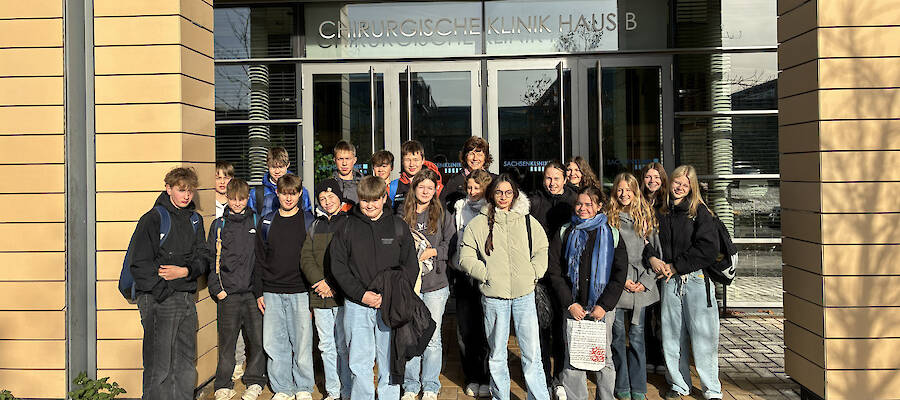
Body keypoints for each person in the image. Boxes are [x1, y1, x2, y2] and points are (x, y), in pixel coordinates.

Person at [459, 174, 551, 400]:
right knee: (497, 354)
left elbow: (542, 249)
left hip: (524, 295)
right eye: (499, 192)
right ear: (492, 194)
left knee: (532, 354)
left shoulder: (527, 221)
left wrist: (533, 273)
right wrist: (486, 275)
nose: (503, 196)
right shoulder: (478, 224)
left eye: (508, 192)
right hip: (494, 297)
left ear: (515, 194)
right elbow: (466, 256)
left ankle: (538, 396)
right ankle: (501, 396)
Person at [330, 176, 420, 400]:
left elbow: (411, 266)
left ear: (383, 198)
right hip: (357, 305)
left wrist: (392, 295)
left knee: (389, 360)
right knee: (359, 362)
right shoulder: (346, 226)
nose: (370, 205)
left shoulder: (398, 226)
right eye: (364, 200)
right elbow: (338, 267)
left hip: (390, 306)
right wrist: (361, 295)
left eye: (375, 200)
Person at [129, 167, 209, 400]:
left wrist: (186, 271)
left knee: (185, 363)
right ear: (168, 189)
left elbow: (203, 257)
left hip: (186, 298)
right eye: (181, 190)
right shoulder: (153, 218)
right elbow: (139, 263)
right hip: (158, 299)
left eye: (190, 191)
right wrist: (162, 292)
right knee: (159, 366)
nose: (186, 195)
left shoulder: (195, 220)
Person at [645, 165, 721, 400]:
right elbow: (645, 238)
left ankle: (712, 390)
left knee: (704, 336)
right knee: (671, 336)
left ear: (692, 188)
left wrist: (677, 265)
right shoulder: (660, 210)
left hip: (696, 280)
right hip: (669, 281)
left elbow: (708, 248)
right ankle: (679, 384)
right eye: (677, 182)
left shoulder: (699, 211)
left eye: (685, 184)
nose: (679, 187)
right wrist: (652, 257)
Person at [546, 186, 628, 400]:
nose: (582, 208)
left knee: (603, 360)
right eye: (579, 204)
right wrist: (570, 303)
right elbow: (554, 271)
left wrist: (604, 305)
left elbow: (619, 274)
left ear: (599, 206)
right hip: (573, 308)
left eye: (588, 204)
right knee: (573, 360)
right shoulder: (565, 232)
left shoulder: (612, 234)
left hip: (602, 311)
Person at [253, 174, 316, 400]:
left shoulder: (309, 221)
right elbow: (259, 259)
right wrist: (259, 291)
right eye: (284, 194)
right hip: (271, 291)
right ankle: (282, 388)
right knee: (274, 343)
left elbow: (315, 260)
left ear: (300, 195)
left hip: (300, 291)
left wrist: (313, 294)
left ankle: (303, 387)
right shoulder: (266, 222)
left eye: (293, 194)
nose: (288, 198)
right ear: (277, 194)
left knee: (302, 344)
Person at [207, 178, 266, 400]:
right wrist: (217, 289)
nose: (237, 203)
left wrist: (261, 291)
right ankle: (223, 383)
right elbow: (211, 258)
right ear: (227, 199)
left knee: (257, 340)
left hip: (252, 294)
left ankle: (255, 381)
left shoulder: (256, 221)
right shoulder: (219, 225)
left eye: (241, 199)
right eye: (233, 199)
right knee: (227, 343)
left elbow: (263, 257)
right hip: (228, 294)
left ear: (247, 198)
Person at [400, 169, 456, 400]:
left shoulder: (442, 214)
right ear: (414, 188)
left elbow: (452, 245)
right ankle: (411, 385)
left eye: (430, 188)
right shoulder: (402, 212)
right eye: (421, 187)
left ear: (435, 191)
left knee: (432, 337)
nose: (425, 191)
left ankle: (431, 385)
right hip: (409, 286)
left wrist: (433, 252)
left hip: (435, 285)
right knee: (411, 335)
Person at [606, 173, 661, 400]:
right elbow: (605, 254)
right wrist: (619, 280)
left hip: (640, 283)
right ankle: (621, 383)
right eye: (620, 189)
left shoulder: (645, 217)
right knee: (618, 336)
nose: (624, 194)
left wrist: (645, 281)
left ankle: (638, 385)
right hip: (618, 282)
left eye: (628, 190)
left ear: (635, 192)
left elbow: (655, 254)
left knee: (637, 337)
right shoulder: (609, 218)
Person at [529, 161, 577, 397]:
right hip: (540, 276)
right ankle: (544, 379)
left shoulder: (574, 201)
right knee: (541, 330)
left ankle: (559, 378)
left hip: (565, 276)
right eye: (548, 178)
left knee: (561, 330)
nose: (552, 183)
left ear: (565, 179)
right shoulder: (535, 202)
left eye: (557, 178)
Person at [300, 180, 352, 400]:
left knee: (343, 344)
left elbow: (350, 258)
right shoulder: (315, 225)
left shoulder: (349, 223)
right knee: (326, 345)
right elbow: (306, 257)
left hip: (342, 294)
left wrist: (332, 283)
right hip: (319, 294)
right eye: (322, 198)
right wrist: (319, 282)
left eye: (331, 197)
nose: (327, 201)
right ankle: (333, 390)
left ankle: (346, 389)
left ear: (339, 198)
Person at [450, 170, 493, 398]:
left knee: (485, 329)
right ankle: (472, 377)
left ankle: (485, 377)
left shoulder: (492, 210)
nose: (472, 192)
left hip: (485, 276)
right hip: (463, 275)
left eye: (477, 188)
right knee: (465, 330)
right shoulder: (459, 208)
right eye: (469, 187)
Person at [214, 160, 250, 381]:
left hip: (246, 281)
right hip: (225, 280)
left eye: (226, 177)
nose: (222, 181)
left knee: (251, 329)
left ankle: (246, 363)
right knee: (229, 329)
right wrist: (216, 286)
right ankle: (233, 363)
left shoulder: (250, 215)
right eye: (218, 177)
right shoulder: (214, 213)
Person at [639, 162, 668, 375]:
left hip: (667, 266)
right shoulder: (637, 202)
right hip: (645, 264)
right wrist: (651, 258)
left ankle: (663, 357)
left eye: (657, 177)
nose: (652, 181)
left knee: (663, 315)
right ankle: (651, 355)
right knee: (647, 314)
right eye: (648, 177)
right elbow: (638, 236)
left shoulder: (668, 203)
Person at [249, 146, 313, 217]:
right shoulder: (256, 193)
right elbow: (251, 220)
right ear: (267, 165)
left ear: (287, 165)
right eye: (273, 167)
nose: (277, 171)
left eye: (281, 167)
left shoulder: (300, 192)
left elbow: (308, 218)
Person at [440, 137, 494, 212]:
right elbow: (442, 205)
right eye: (471, 154)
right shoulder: (455, 181)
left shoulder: (494, 180)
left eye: (479, 154)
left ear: (485, 157)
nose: (475, 158)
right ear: (465, 156)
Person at [390, 140, 443, 211]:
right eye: (407, 160)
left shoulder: (435, 184)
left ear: (423, 160)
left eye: (416, 160)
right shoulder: (394, 186)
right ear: (402, 161)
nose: (412, 164)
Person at [326, 140, 364, 206]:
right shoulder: (328, 185)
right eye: (340, 159)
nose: (344, 163)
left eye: (347, 159)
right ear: (335, 160)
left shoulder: (365, 184)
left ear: (354, 160)